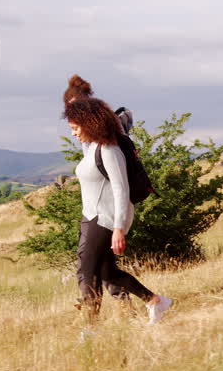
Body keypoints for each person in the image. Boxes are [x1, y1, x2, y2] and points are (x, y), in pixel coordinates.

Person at [65, 97, 173, 325]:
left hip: (106, 219)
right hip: (92, 217)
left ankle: (91, 329)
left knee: (88, 270)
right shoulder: (92, 146)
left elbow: (121, 189)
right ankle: (156, 301)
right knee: (107, 273)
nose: (74, 134)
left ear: (88, 123)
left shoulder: (109, 148)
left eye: (75, 128)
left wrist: (118, 228)